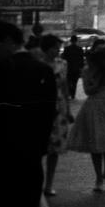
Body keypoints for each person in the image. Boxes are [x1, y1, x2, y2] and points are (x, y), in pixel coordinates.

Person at [1, 21, 59, 207]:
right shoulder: (42, 70)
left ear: (7, 42)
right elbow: (48, 116)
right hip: (29, 155)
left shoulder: (3, 69)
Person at [67, 42, 105, 193]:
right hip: (95, 105)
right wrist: (99, 81)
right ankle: (98, 177)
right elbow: (88, 91)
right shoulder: (88, 70)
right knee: (95, 141)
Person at [38, 35, 73, 198]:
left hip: (59, 108)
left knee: (55, 149)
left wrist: (68, 108)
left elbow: (65, 86)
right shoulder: (37, 64)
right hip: (41, 106)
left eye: (58, 48)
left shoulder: (62, 64)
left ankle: (49, 184)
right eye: (54, 48)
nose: (57, 51)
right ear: (46, 48)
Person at [62, 35, 85, 99]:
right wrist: (81, 68)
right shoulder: (80, 49)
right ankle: (73, 95)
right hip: (76, 68)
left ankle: (69, 92)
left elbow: (64, 58)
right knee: (75, 82)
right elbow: (81, 60)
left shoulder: (66, 49)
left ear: (71, 41)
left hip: (69, 68)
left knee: (69, 81)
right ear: (76, 41)